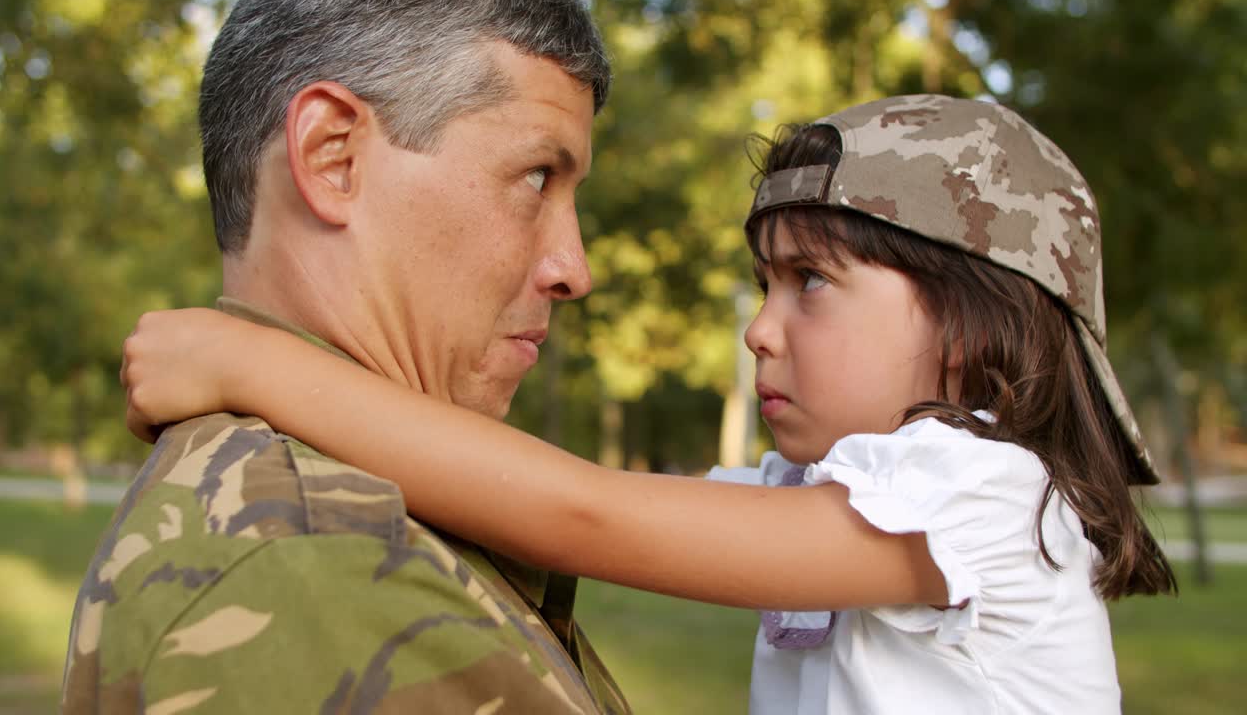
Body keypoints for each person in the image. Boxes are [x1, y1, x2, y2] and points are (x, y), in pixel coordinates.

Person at [121, 94, 1177, 713]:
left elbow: (584, 514)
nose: (759, 329)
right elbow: (545, 495)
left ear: (971, 317)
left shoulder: (981, 497)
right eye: (761, 286)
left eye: (809, 283)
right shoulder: (817, 493)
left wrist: (247, 367)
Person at [62, 0, 632, 713]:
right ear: (332, 156)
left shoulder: (350, 508)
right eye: (537, 177)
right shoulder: (320, 559)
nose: (573, 268)